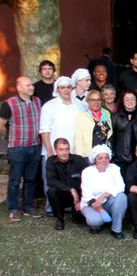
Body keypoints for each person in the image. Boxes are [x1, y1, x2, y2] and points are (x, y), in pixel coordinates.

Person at [39, 77, 79, 213]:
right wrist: (49, 150)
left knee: (70, 180)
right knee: (50, 181)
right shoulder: (49, 106)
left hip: (73, 150)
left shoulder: (79, 104)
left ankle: (69, 205)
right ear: (57, 89)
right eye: (62, 88)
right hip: (53, 151)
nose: (66, 90)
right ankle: (52, 208)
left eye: (68, 87)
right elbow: (44, 130)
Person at [80, 145, 128, 238]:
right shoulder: (87, 172)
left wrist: (103, 196)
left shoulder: (114, 168)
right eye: (100, 158)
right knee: (95, 221)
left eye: (106, 158)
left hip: (108, 201)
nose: (104, 160)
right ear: (95, 160)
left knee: (122, 197)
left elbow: (120, 186)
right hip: (92, 204)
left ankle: (116, 229)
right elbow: (87, 194)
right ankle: (96, 226)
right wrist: (100, 210)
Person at [46, 138, 89, 230]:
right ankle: (59, 218)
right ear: (55, 150)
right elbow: (51, 181)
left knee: (78, 220)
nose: (64, 152)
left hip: (80, 196)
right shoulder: (51, 162)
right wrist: (70, 189)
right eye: (61, 149)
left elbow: (88, 180)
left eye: (66, 149)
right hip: (63, 195)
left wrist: (82, 199)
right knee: (51, 191)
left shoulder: (79, 160)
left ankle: (76, 212)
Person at [74, 90, 113, 159]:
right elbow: (78, 139)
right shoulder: (82, 116)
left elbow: (109, 134)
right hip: (89, 155)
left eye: (98, 99)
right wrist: (79, 157)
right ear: (88, 101)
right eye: (93, 100)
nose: (96, 102)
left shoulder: (106, 114)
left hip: (104, 153)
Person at [110, 90, 137, 171]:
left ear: (136, 101)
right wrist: (113, 156)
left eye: (132, 99)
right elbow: (111, 138)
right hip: (119, 160)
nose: (130, 102)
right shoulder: (115, 117)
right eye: (127, 99)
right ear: (123, 101)